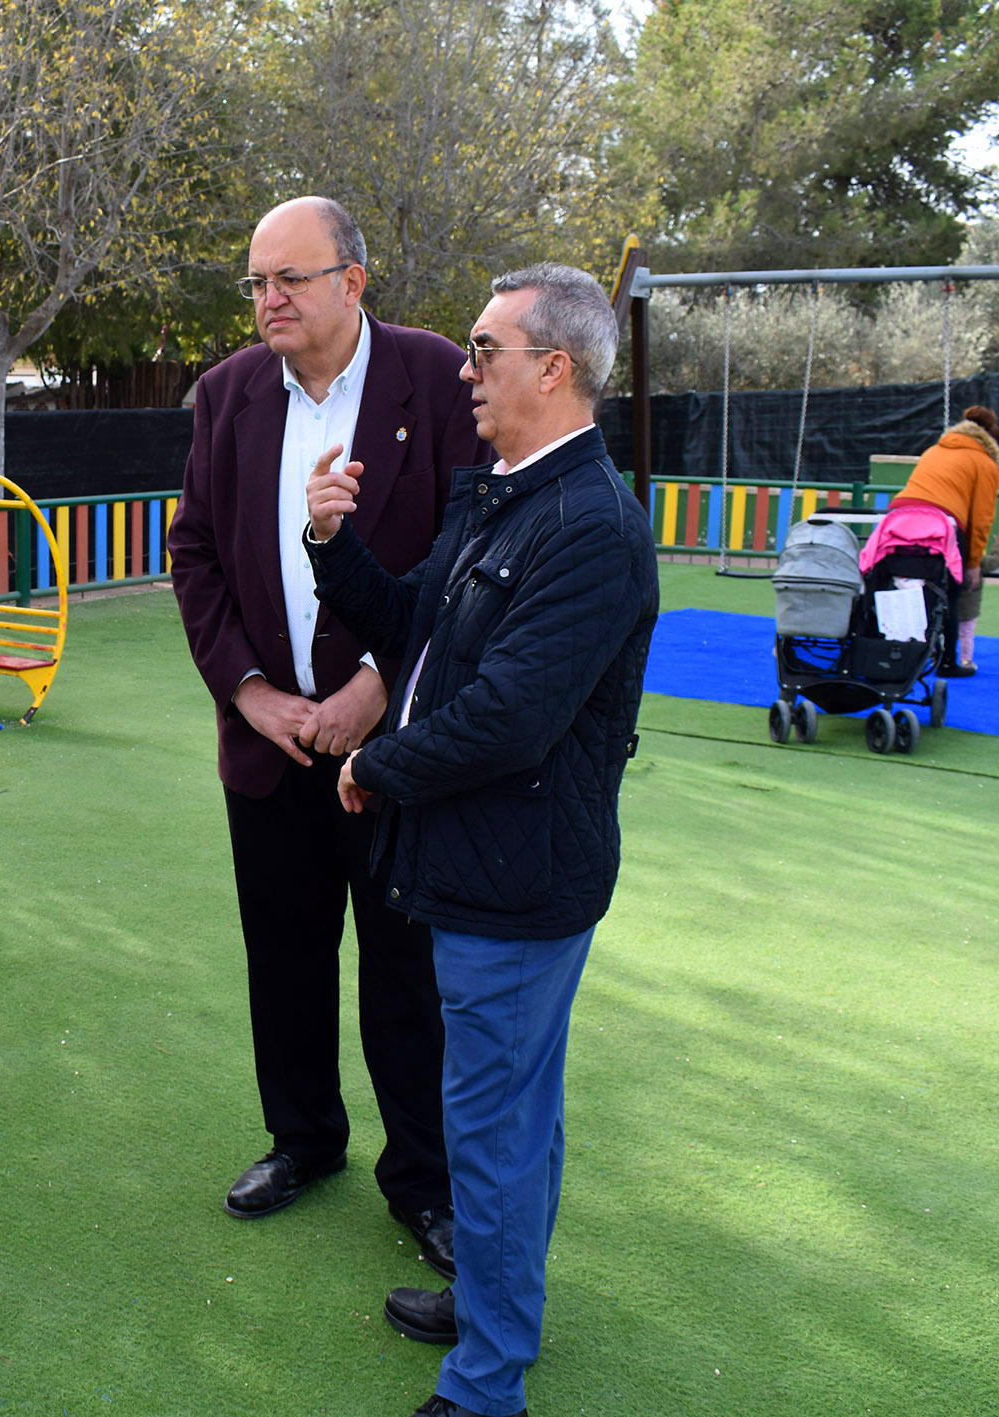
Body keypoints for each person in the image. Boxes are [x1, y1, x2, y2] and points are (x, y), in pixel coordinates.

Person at [303, 262, 657, 1417]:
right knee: (511, 1116)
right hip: (483, 867)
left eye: (484, 350)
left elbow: (508, 717)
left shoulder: (588, 522)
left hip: (516, 877)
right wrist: (331, 544)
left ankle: (485, 1382)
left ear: (552, 368)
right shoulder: (506, 490)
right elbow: (415, 624)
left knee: (495, 1134)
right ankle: (499, 1307)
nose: (464, 371)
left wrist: (372, 765)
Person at [168, 196, 485, 1275]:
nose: (266, 301)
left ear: (352, 281)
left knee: (406, 969)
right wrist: (251, 694)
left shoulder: (437, 380)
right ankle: (303, 1140)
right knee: (285, 956)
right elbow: (197, 556)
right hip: (268, 743)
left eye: (288, 279)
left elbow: (468, 551)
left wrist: (379, 685)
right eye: (255, 281)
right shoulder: (226, 394)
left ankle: (423, 1184)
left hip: (391, 747)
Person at [889, 404, 999, 675]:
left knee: (901, 580)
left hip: (900, 516)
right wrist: (974, 562)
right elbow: (981, 518)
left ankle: (893, 651)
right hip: (943, 523)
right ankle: (948, 662)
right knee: (950, 592)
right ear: (990, 436)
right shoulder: (985, 463)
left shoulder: (935, 450)